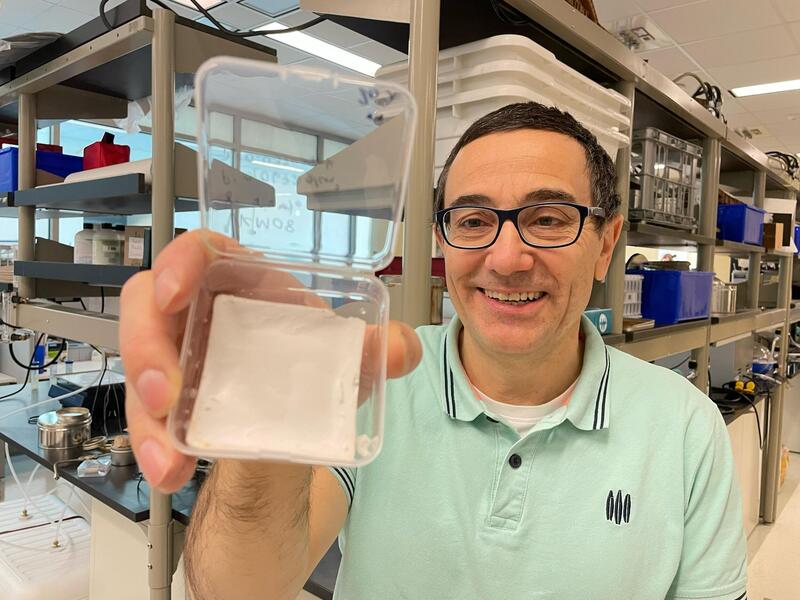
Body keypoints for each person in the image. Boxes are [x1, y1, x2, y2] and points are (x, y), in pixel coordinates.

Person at [120, 102, 747, 600]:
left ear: (605, 244)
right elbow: (234, 593)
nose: (506, 259)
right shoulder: (375, 381)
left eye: (550, 219)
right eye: (473, 221)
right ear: (444, 240)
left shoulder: (685, 427)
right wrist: (264, 427)